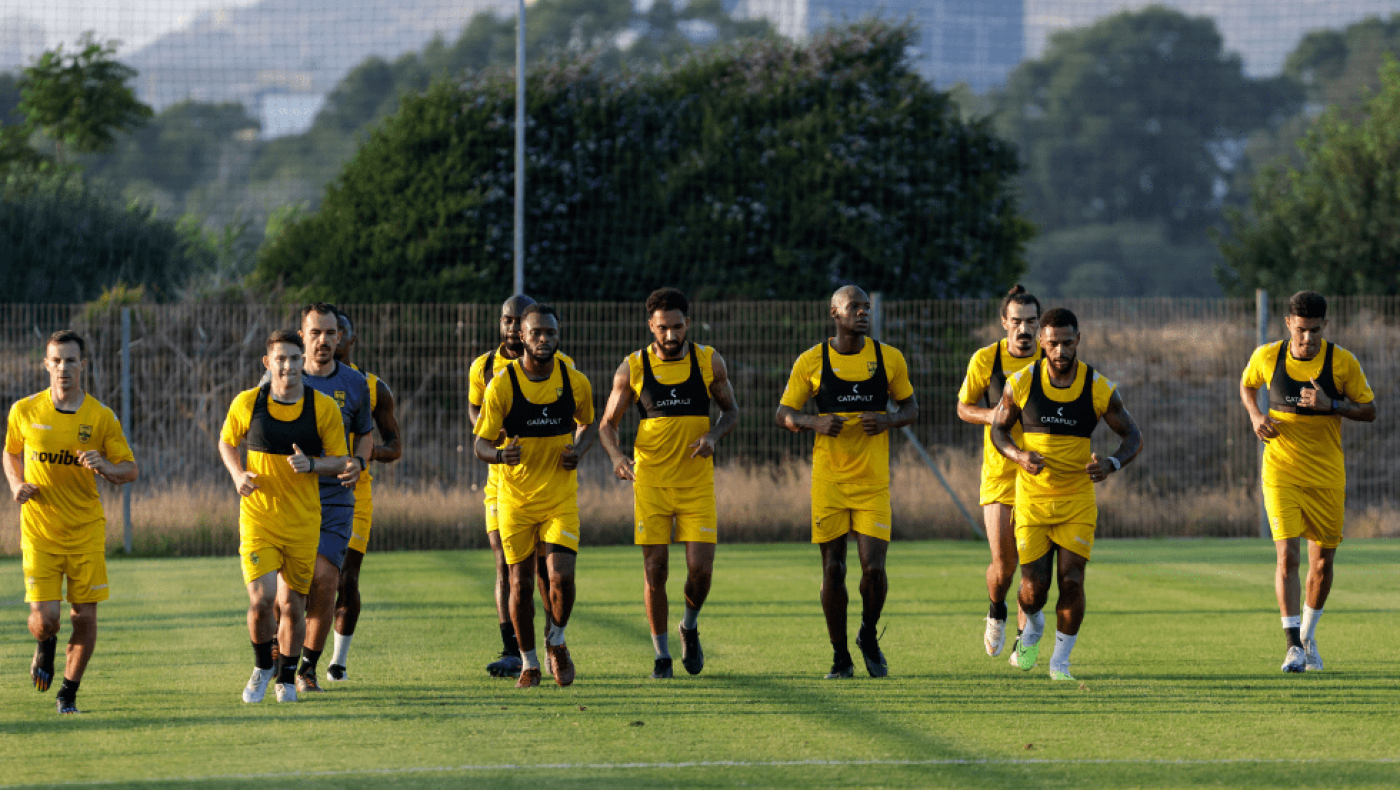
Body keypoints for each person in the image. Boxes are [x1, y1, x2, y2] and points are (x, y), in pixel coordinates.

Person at [990, 307, 1142, 681]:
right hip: (1033, 501)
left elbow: (1133, 436)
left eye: (1067, 343)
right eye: (1053, 343)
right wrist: (1019, 455)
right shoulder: (1022, 383)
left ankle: (1060, 663)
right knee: (1033, 590)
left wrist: (1112, 463)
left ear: (1079, 341)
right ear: (1042, 341)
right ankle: (1034, 625)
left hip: (1077, 502)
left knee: (1072, 580)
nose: (1060, 351)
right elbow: (998, 432)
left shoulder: (1097, 387)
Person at [775, 285, 919, 679]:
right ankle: (840, 655)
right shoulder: (812, 361)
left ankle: (868, 634)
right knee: (833, 570)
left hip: (873, 483)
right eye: (853, 307)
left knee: (873, 570)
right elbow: (783, 413)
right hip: (830, 482)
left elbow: (911, 407)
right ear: (834, 314)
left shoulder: (888, 358)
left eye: (866, 307)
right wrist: (812, 421)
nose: (862, 313)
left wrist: (889, 419)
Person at [599, 288, 740, 679]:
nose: (671, 335)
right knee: (655, 570)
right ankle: (661, 654)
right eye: (663, 328)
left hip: (695, 484)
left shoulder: (708, 361)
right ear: (651, 327)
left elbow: (731, 411)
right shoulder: (633, 367)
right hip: (651, 485)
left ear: (688, 324)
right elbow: (606, 424)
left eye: (678, 326)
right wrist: (616, 457)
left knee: (701, 571)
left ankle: (689, 627)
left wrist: (713, 436)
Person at [1239, 290, 1375, 673]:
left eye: (1314, 331)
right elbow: (1247, 385)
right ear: (1288, 325)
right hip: (1281, 472)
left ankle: (1308, 637)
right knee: (1288, 557)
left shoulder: (1342, 363)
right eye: (1300, 330)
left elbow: (1370, 410)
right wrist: (1254, 416)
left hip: (1327, 476)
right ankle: (1293, 647)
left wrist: (1332, 406)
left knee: (1322, 563)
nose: (1307, 339)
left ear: (1325, 326)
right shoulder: (1268, 356)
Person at [5, 330, 138, 714]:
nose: (64, 367)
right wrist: (16, 484)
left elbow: (130, 470)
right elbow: (11, 453)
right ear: (46, 364)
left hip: (85, 531)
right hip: (39, 531)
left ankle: (68, 693)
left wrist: (105, 466)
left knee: (85, 616)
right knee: (46, 619)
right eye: (57, 360)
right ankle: (45, 645)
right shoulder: (25, 410)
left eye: (71, 360)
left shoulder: (100, 416)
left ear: (84, 365)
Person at [219, 330, 352, 703]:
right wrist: (237, 474)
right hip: (259, 518)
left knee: (292, 603)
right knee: (262, 600)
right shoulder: (248, 403)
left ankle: (287, 680)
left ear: (303, 361)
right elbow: (227, 441)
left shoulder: (321, 407)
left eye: (295, 359)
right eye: (281, 358)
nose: (288, 366)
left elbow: (341, 459)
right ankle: (263, 666)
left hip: (303, 522)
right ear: (268, 363)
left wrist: (312, 464)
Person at [472, 304, 596, 688]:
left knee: (560, 578)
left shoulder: (574, 381)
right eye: (537, 333)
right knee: (521, 584)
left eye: (551, 334)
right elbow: (480, 441)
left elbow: (589, 423)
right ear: (521, 337)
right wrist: (498, 454)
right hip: (515, 501)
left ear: (559, 337)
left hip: (559, 498)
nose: (544, 340)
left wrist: (579, 449)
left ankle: (555, 641)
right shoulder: (502, 384)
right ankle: (528, 662)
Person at [288, 303, 373, 694]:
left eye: (330, 333)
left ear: (341, 338)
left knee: (325, 581)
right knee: (289, 595)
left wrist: (358, 460)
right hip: (289, 498)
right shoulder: (279, 379)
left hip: (336, 499)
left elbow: (366, 434)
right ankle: (280, 653)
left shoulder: (355, 384)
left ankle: (307, 668)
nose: (323, 340)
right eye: (315, 333)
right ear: (302, 336)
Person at [957, 285, 1042, 658]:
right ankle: (996, 610)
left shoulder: (1051, 360)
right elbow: (963, 408)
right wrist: (995, 416)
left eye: (1032, 322)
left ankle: (1024, 644)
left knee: (1032, 569)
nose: (1024, 329)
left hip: (1040, 477)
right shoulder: (986, 360)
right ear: (1004, 322)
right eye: (1017, 321)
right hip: (999, 475)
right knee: (1004, 567)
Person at [325, 310, 403, 682]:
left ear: (350, 340)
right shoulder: (299, 383)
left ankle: (337, 661)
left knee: (346, 579)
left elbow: (394, 445)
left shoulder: (373, 387)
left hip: (356, 496)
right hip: (306, 493)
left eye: (338, 333)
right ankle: (290, 651)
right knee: (302, 579)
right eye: (323, 332)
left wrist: (364, 456)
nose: (331, 339)